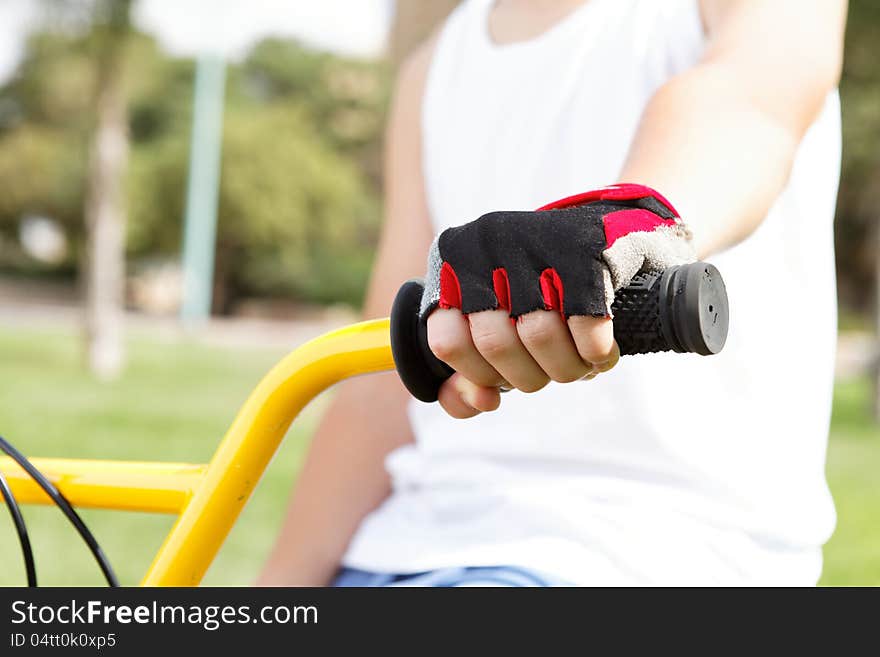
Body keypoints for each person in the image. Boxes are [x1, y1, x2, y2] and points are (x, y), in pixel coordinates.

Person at [258, 0, 847, 586]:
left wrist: (628, 219)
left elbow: (750, 103)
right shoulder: (436, 66)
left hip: (642, 551)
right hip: (402, 549)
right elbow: (383, 386)